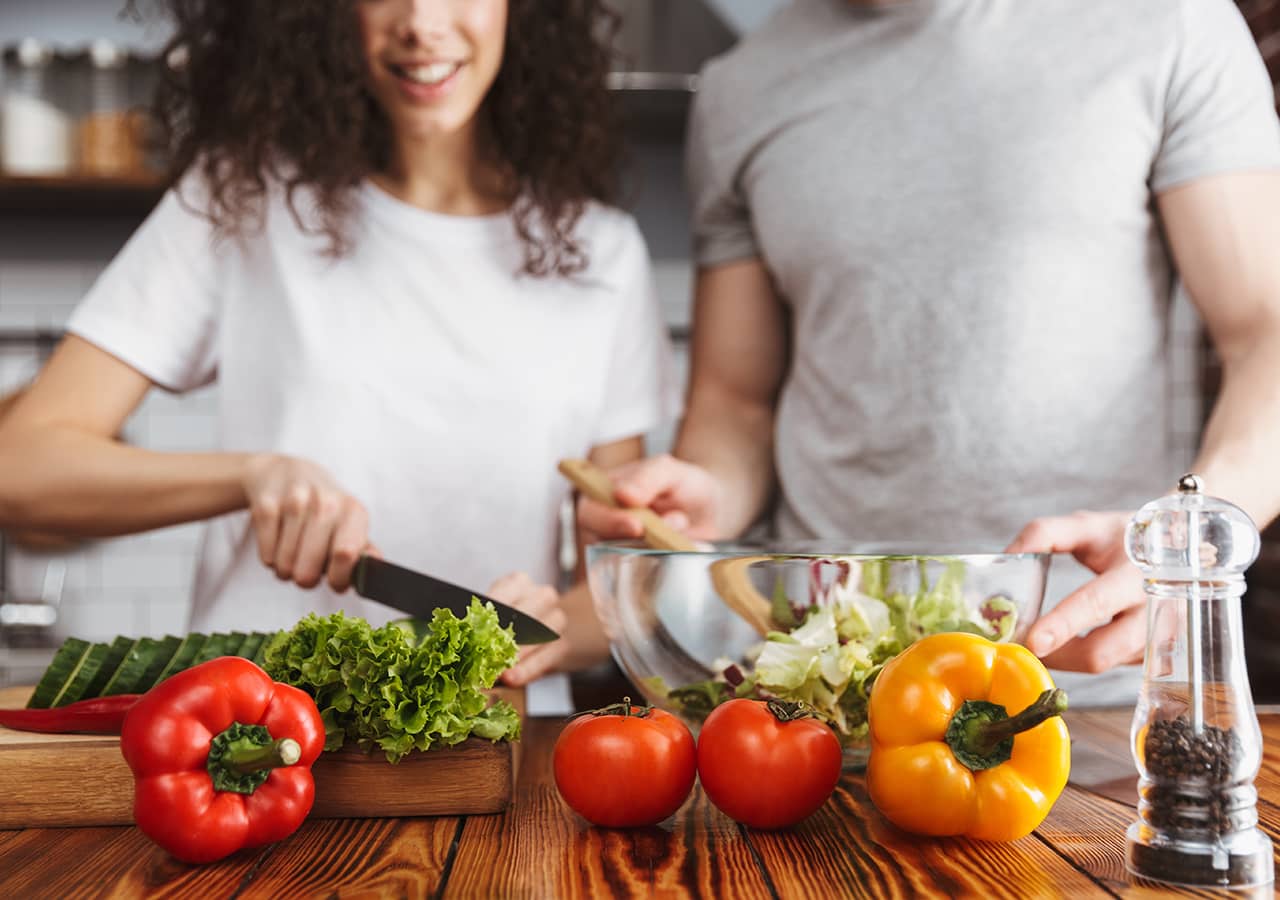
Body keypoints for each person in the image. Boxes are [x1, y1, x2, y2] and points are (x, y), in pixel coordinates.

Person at [564, 0, 1280, 705]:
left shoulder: (1167, 22)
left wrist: (1187, 545)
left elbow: (1266, 335)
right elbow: (736, 405)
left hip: (1090, 684)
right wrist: (707, 496)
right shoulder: (741, 88)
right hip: (824, 695)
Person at [0, 0, 676, 713]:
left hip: (499, 752)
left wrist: (552, 633)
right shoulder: (241, 203)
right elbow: (21, 467)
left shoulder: (601, 253)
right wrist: (253, 476)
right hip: (255, 742)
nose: (422, 22)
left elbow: (617, 586)